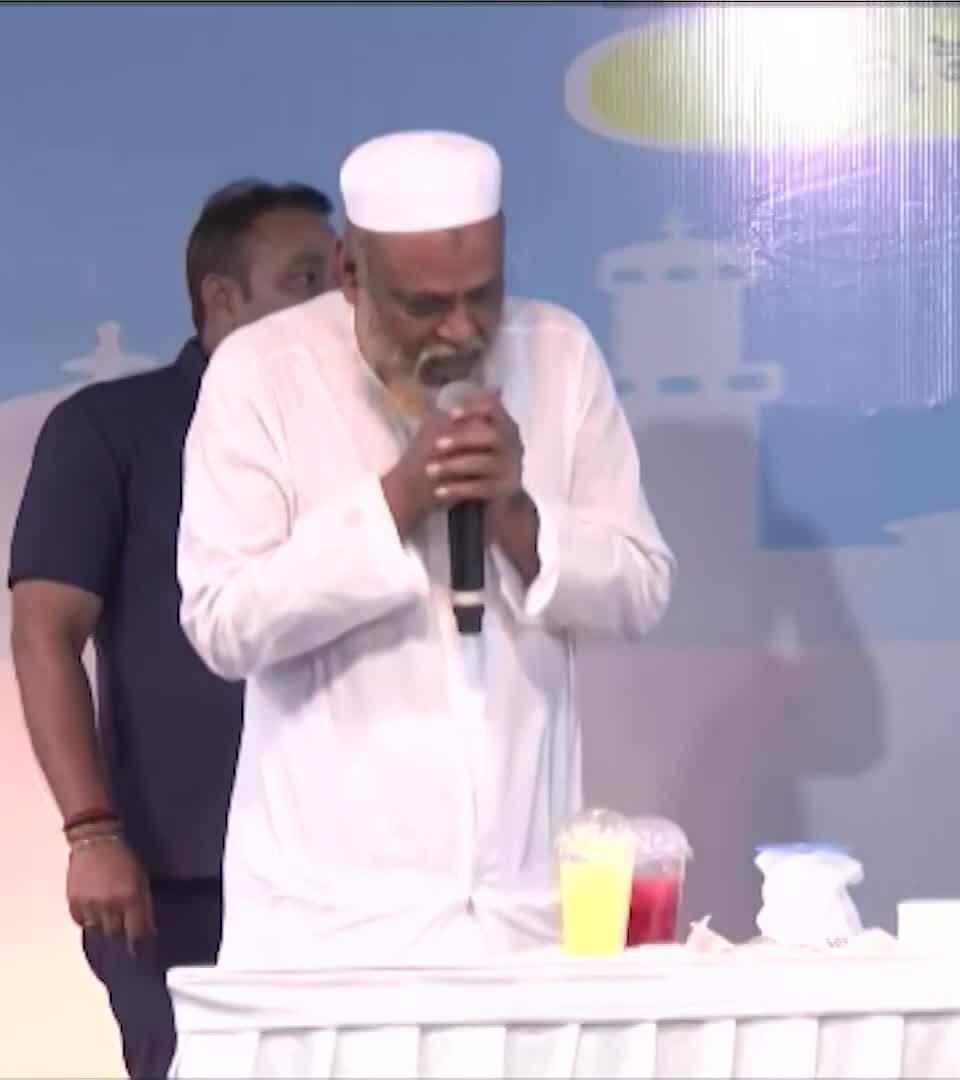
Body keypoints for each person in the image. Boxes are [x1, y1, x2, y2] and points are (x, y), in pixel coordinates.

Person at [176, 130, 675, 968]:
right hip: (326, 937)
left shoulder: (560, 353)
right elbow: (224, 624)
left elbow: (641, 587)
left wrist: (515, 514)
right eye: (424, 305)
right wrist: (399, 499)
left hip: (524, 925)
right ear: (350, 271)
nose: (461, 329)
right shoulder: (260, 375)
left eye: (483, 295)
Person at [9, 179, 336, 1078]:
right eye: (306, 279)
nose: (336, 306)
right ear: (221, 296)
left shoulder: (363, 447)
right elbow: (43, 635)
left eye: (343, 278)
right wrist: (91, 833)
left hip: (345, 877)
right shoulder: (109, 431)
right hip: (180, 881)